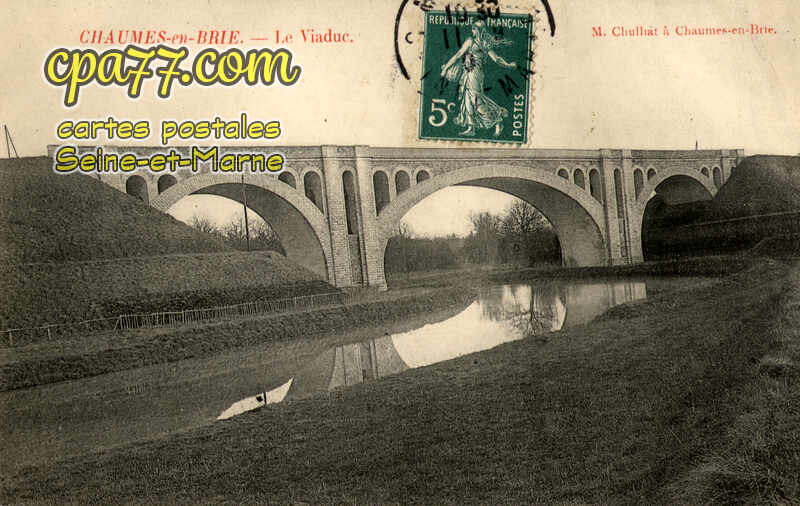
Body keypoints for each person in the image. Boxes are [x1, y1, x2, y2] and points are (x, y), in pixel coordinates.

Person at [440, 20, 517, 137]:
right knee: (467, 99)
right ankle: (471, 128)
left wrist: (508, 65)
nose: (472, 31)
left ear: (480, 30)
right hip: (467, 73)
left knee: (476, 100)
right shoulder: (470, 41)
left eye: (474, 29)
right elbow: (458, 54)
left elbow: (496, 59)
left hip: (476, 74)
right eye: (472, 28)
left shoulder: (485, 43)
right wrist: (446, 68)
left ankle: (497, 120)